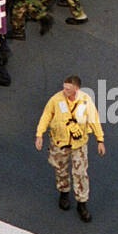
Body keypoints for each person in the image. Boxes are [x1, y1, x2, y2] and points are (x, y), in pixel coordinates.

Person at [34, 75, 105, 222]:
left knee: (80, 173)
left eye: (68, 88)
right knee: (60, 169)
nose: (64, 90)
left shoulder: (85, 101)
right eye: (64, 87)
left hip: (78, 144)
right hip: (59, 142)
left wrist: (100, 139)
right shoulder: (56, 99)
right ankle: (64, 192)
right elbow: (46, 115)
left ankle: (82, 203)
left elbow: (93, 120)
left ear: (76, 89)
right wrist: (39, 134)